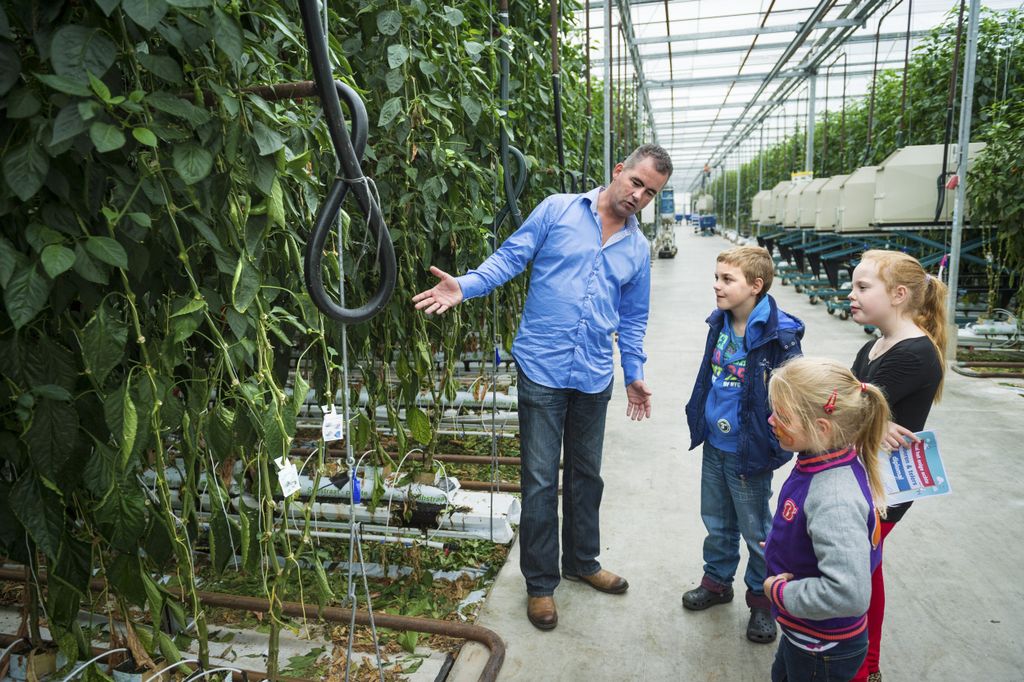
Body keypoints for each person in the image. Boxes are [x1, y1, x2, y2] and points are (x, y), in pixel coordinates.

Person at [412, 144, 673, 631]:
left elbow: (633, 319)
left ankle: (583, 563)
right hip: (542, 368)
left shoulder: (637, 249)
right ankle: (540, 585)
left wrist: (634, 371)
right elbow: (511, 258)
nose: (639, 195)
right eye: (636, 182)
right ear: (618, 171)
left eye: (651, 192)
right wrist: (464, 286)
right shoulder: (558, 209)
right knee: (537, 480)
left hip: (594, 374)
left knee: (585, 475)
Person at [683, 245, 804, 643]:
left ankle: (762, 599)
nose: (716, 286)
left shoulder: (779, 333)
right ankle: (717, 581)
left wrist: (777, 437)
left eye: (726, 279)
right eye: (716, 277)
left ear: (756, 285)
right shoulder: (719, 323)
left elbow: (793, 391)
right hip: (715, 443)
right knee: (716, 520)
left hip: (749, 449)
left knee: (756, 530)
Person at [846, 250, 947, 682]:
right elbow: (854, 400)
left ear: (900, 295)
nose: (850, 294)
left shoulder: (915, 354)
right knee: (865, 564)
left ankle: (865, 665)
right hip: (864, 472)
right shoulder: (875, 344)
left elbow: (846, 408)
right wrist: (867, 413)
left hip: (884, 488)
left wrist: (866, 412)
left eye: (862, 288)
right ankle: (865, 661)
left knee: (860, 568)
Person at [763, 356, 890, 682]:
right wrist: (785, 542)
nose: (770, 420)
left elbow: (848, 593)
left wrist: (780, 594)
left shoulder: (834, 498)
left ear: (821, 428)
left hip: (821, 649)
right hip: (805, 638)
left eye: (783, 415)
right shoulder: (822, 458)